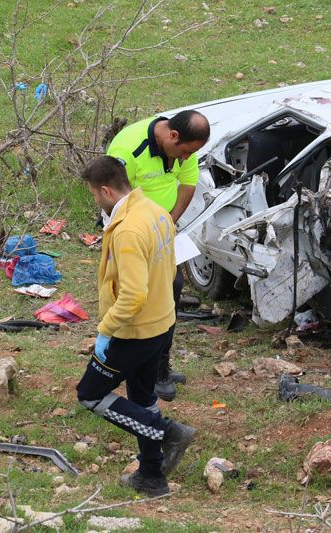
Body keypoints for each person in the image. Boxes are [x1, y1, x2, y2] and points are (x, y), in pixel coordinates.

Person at [76, 156, 196, 496]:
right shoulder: (156, 211)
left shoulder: (127, 230)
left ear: (106, 190)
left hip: (133, 331)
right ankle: (151, 477)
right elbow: (169, 267)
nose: (95, 202)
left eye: (94, 195)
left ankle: (168, 432)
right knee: (143, 400)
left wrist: (105, 330)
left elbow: (131, 295)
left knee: (90, 395)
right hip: (161, 324)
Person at [107, 109, 211, 401]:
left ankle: (159, 368)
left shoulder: (185, 150)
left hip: (163, 232)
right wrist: (141, 233)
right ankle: (133, 369)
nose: (184, 159)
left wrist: (169, 222)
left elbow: (188, 185)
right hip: (132, 233)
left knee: (171, 293)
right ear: (172, 136)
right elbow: (112, 198)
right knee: (139, 298)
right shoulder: (127, 148)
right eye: (184, 152)